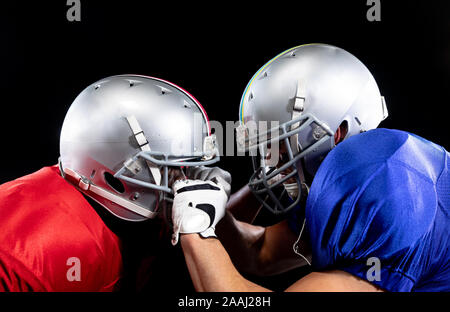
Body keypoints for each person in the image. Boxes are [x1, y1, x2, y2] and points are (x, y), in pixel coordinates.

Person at [170, 44, 450, 292]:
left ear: (338, 132)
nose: (271, 160)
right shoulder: (345, 178)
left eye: (282, 141)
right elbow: (260, 254)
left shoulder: (386, 184)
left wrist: (194, 233)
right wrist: (206, 207)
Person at [0, 74, 223, 291]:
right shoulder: (25, 255)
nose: (182, 179)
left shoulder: (134, 217)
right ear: (119, 164)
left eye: (186, 166)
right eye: (171, 167)